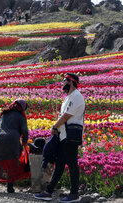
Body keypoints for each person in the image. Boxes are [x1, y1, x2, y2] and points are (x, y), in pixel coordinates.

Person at [34, 73, 85, 203]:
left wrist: (54, 126)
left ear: (71, 82)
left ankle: (74, 194)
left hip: (70, 135)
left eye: (64, 81)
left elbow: (67, 116)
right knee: (60, 163)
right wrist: (57, 129)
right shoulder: (68, 98)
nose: (62, 83)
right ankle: (48, 192)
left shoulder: (76, 96)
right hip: (64, 135)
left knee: (72, 164)